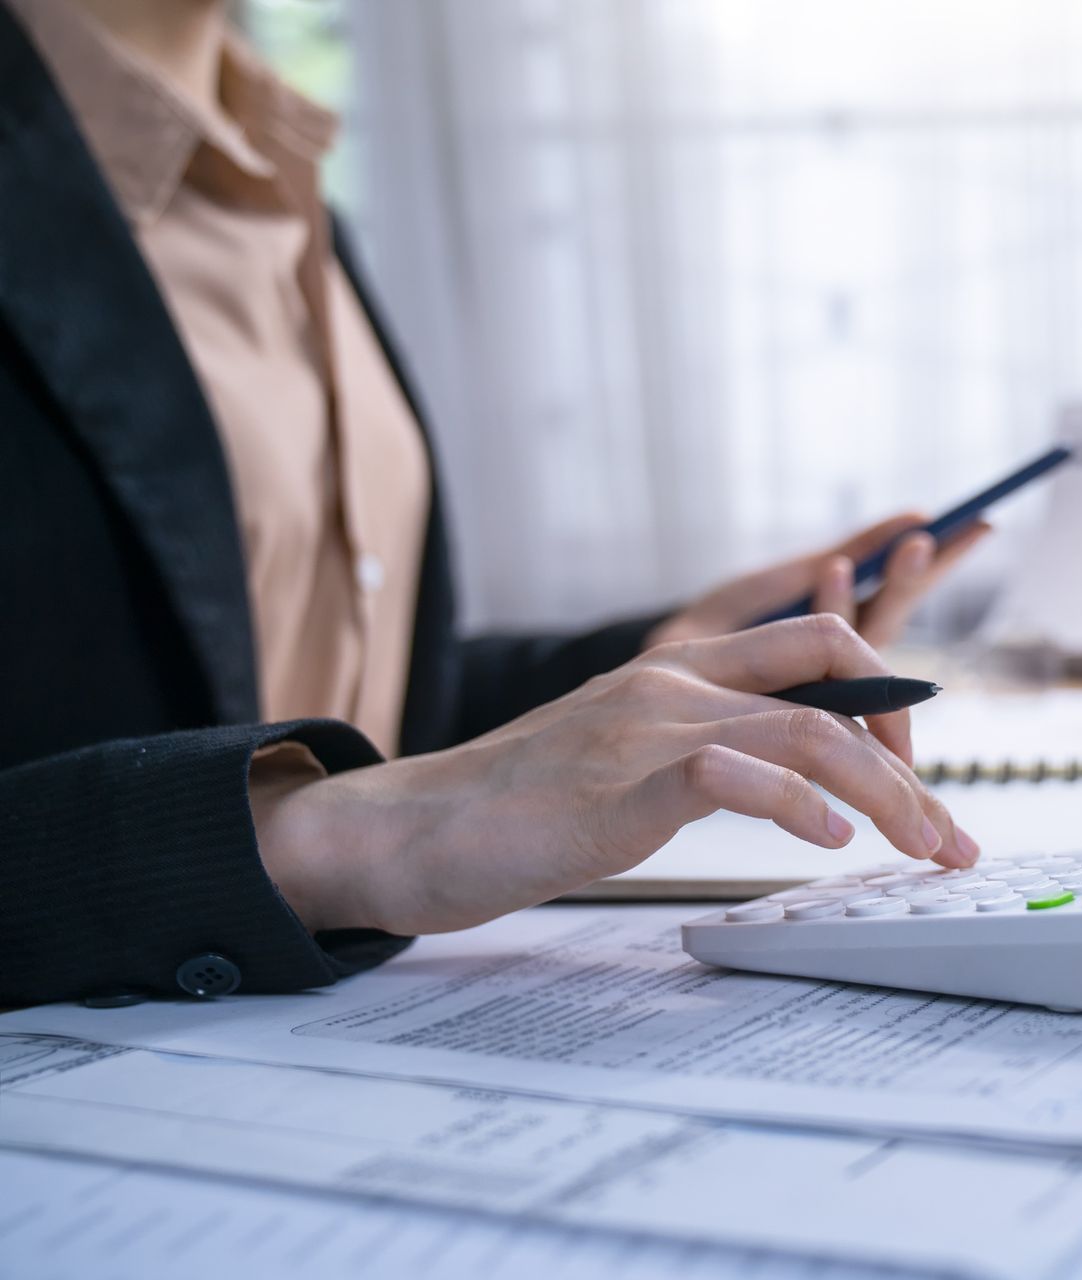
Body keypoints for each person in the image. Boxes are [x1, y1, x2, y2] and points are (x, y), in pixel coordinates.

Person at [0, 0, 988, 1007]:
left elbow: (343, 701)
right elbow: (362, 795)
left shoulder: (279, 170)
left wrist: (655, 657)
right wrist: (326, 833)